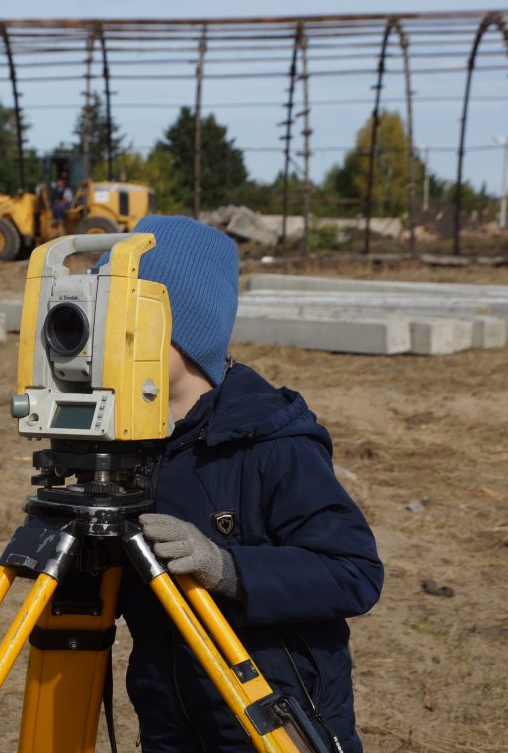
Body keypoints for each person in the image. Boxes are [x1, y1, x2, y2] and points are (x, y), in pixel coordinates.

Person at [112, 215, 384, 753]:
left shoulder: (271, 441)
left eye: (125, 319)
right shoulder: (125, 447)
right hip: (170, 726)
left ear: (182, 330)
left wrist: (228, 569)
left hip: (276, 724)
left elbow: (354, 572)